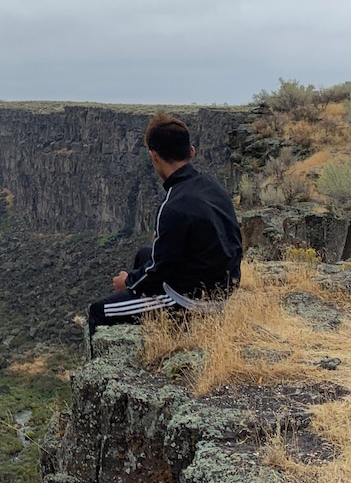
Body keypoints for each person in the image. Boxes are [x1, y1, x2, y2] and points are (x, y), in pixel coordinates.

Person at [86, 113, 243, 354]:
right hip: (223, 285)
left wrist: (127, 282)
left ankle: (109, 367)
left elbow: (160, 270)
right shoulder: (213, 186)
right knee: (143, 254)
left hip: (190, 301)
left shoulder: (173, 206)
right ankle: (145, 309)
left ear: (154, 156)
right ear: (191, 152)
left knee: (98, 310)